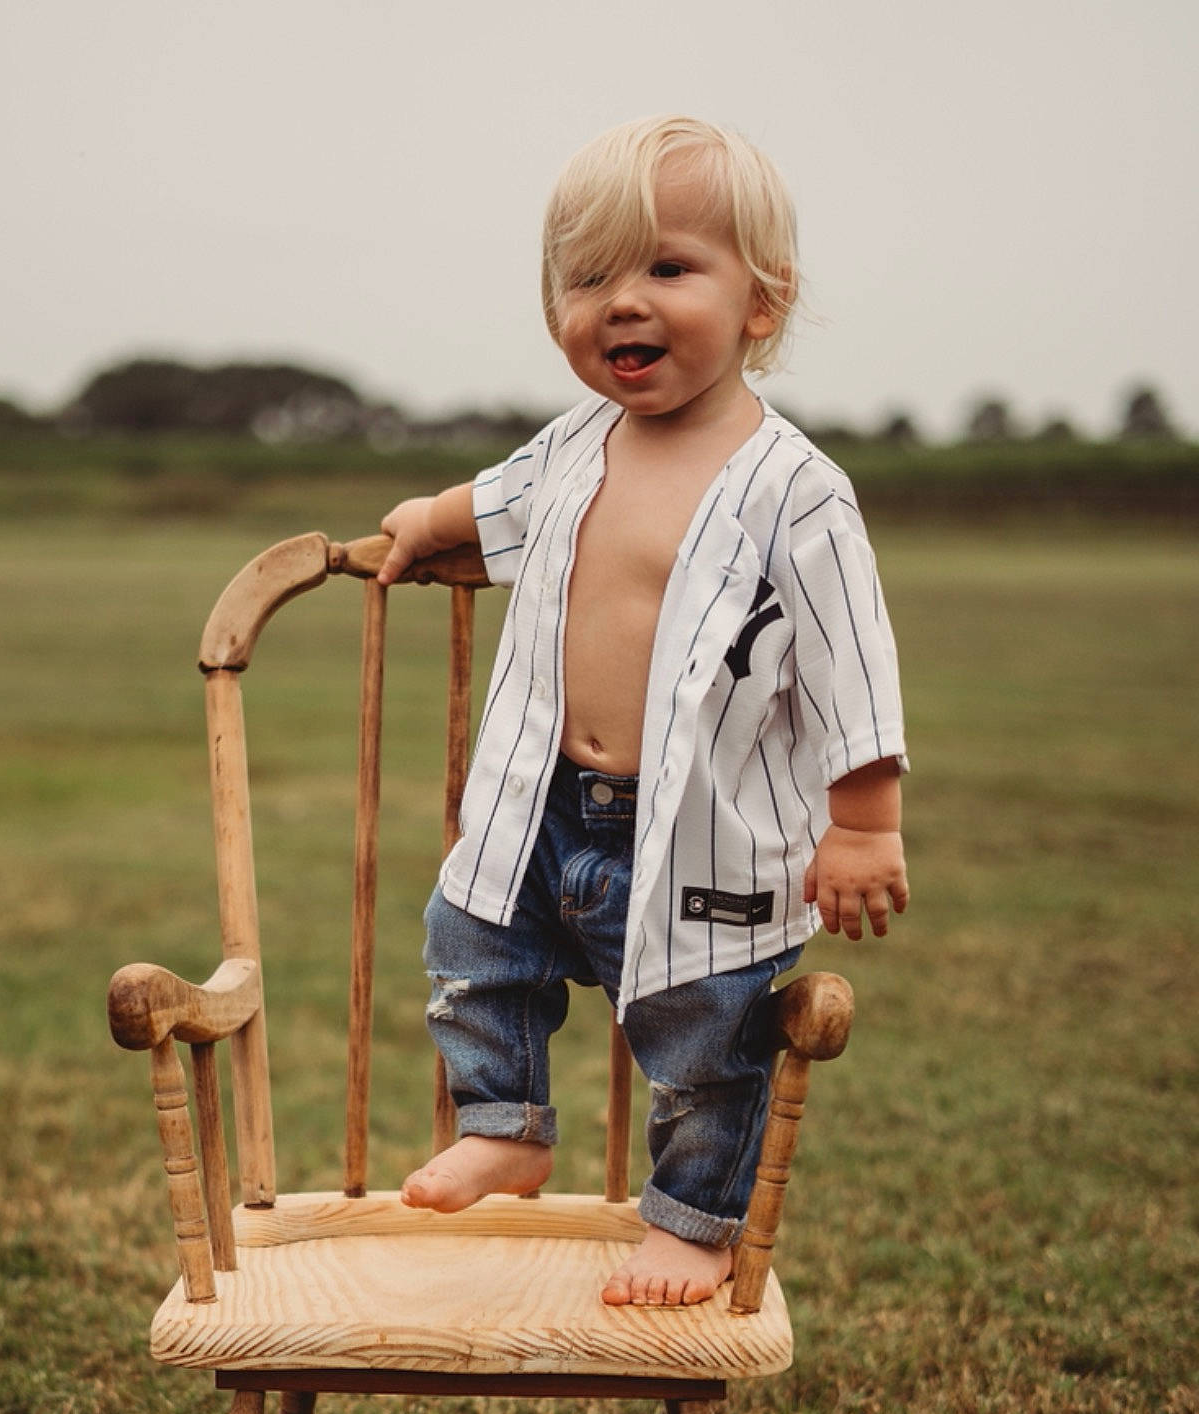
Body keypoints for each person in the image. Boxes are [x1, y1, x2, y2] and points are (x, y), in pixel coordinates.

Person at [376, 116, 909, 1307]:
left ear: (761, 303)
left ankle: (691, 1219)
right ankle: (505, 1117)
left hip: (701, 835)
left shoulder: (797, 491)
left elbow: (851, 665)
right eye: (589, 277)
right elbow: (499, 502)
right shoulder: (576, 446)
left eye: (668, 269)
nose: (623, 302)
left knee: (707, 1038)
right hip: (544, 803)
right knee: (471, 946)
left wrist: (864, 824)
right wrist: (430, 518)